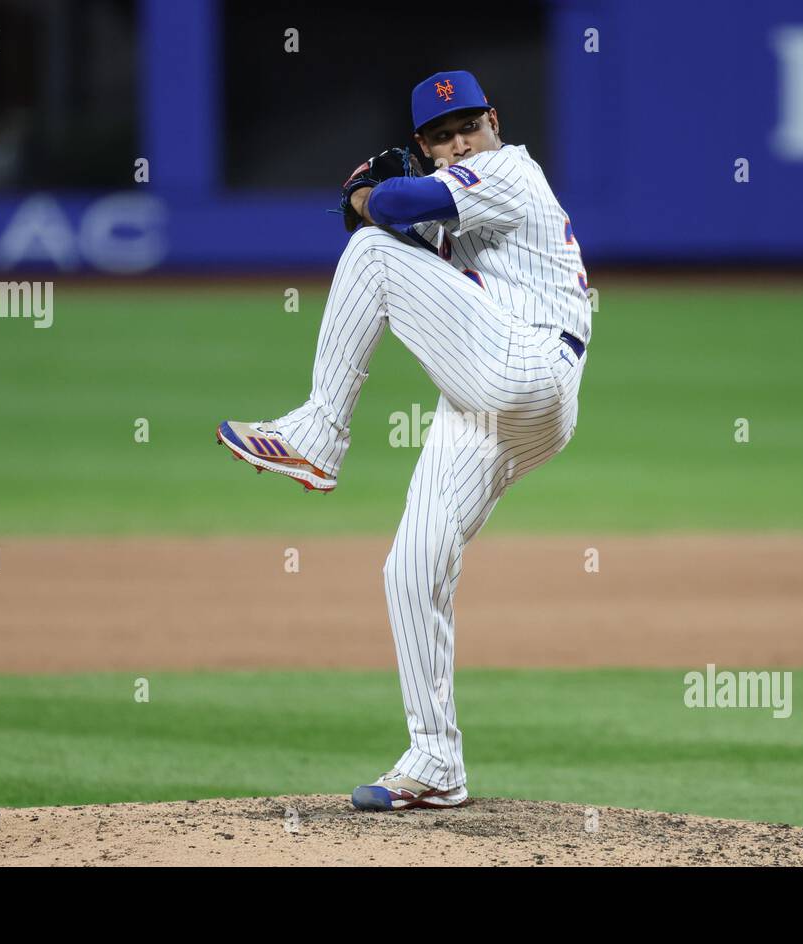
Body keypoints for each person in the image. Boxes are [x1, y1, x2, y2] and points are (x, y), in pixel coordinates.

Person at [217, 70, 591, 810]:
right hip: (495, 402)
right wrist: (369, 208)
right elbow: (393, 219)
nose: (459, 143)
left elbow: (387, 209)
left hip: (529, 368)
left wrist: (365, 195)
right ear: (425, 143)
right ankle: (435, 761)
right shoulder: (460, 201)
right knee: (411, 567)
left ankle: (320, 435)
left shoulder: (509, 170)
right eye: (441, 137)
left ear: (494, 120)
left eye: (468, 127)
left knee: (372, 258)